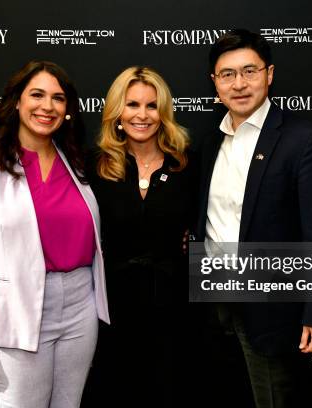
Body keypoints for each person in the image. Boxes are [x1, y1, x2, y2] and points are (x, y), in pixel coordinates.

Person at [0, 60, 109, 408]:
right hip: (16, 312)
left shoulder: (76, 163)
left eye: (58, 98)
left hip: (80, 306)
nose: (47, 106)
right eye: (37, 95)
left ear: (68, 110)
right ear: (17, 102)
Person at [196, 29, 312, 408]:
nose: (239, 84)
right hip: (214, 304)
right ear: (215, 82)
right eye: (227, 74)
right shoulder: (211, 140)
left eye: (250, 71)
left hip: (272, 310)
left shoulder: (304, 139)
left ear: (269, 74)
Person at [87, 66, 195, 406]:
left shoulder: (187, 165)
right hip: (112, 307)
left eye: (152, 106)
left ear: (163, 114)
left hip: (174, 306)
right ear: (118, 112)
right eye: (132, 104)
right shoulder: (94, 166)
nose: (142, 115)